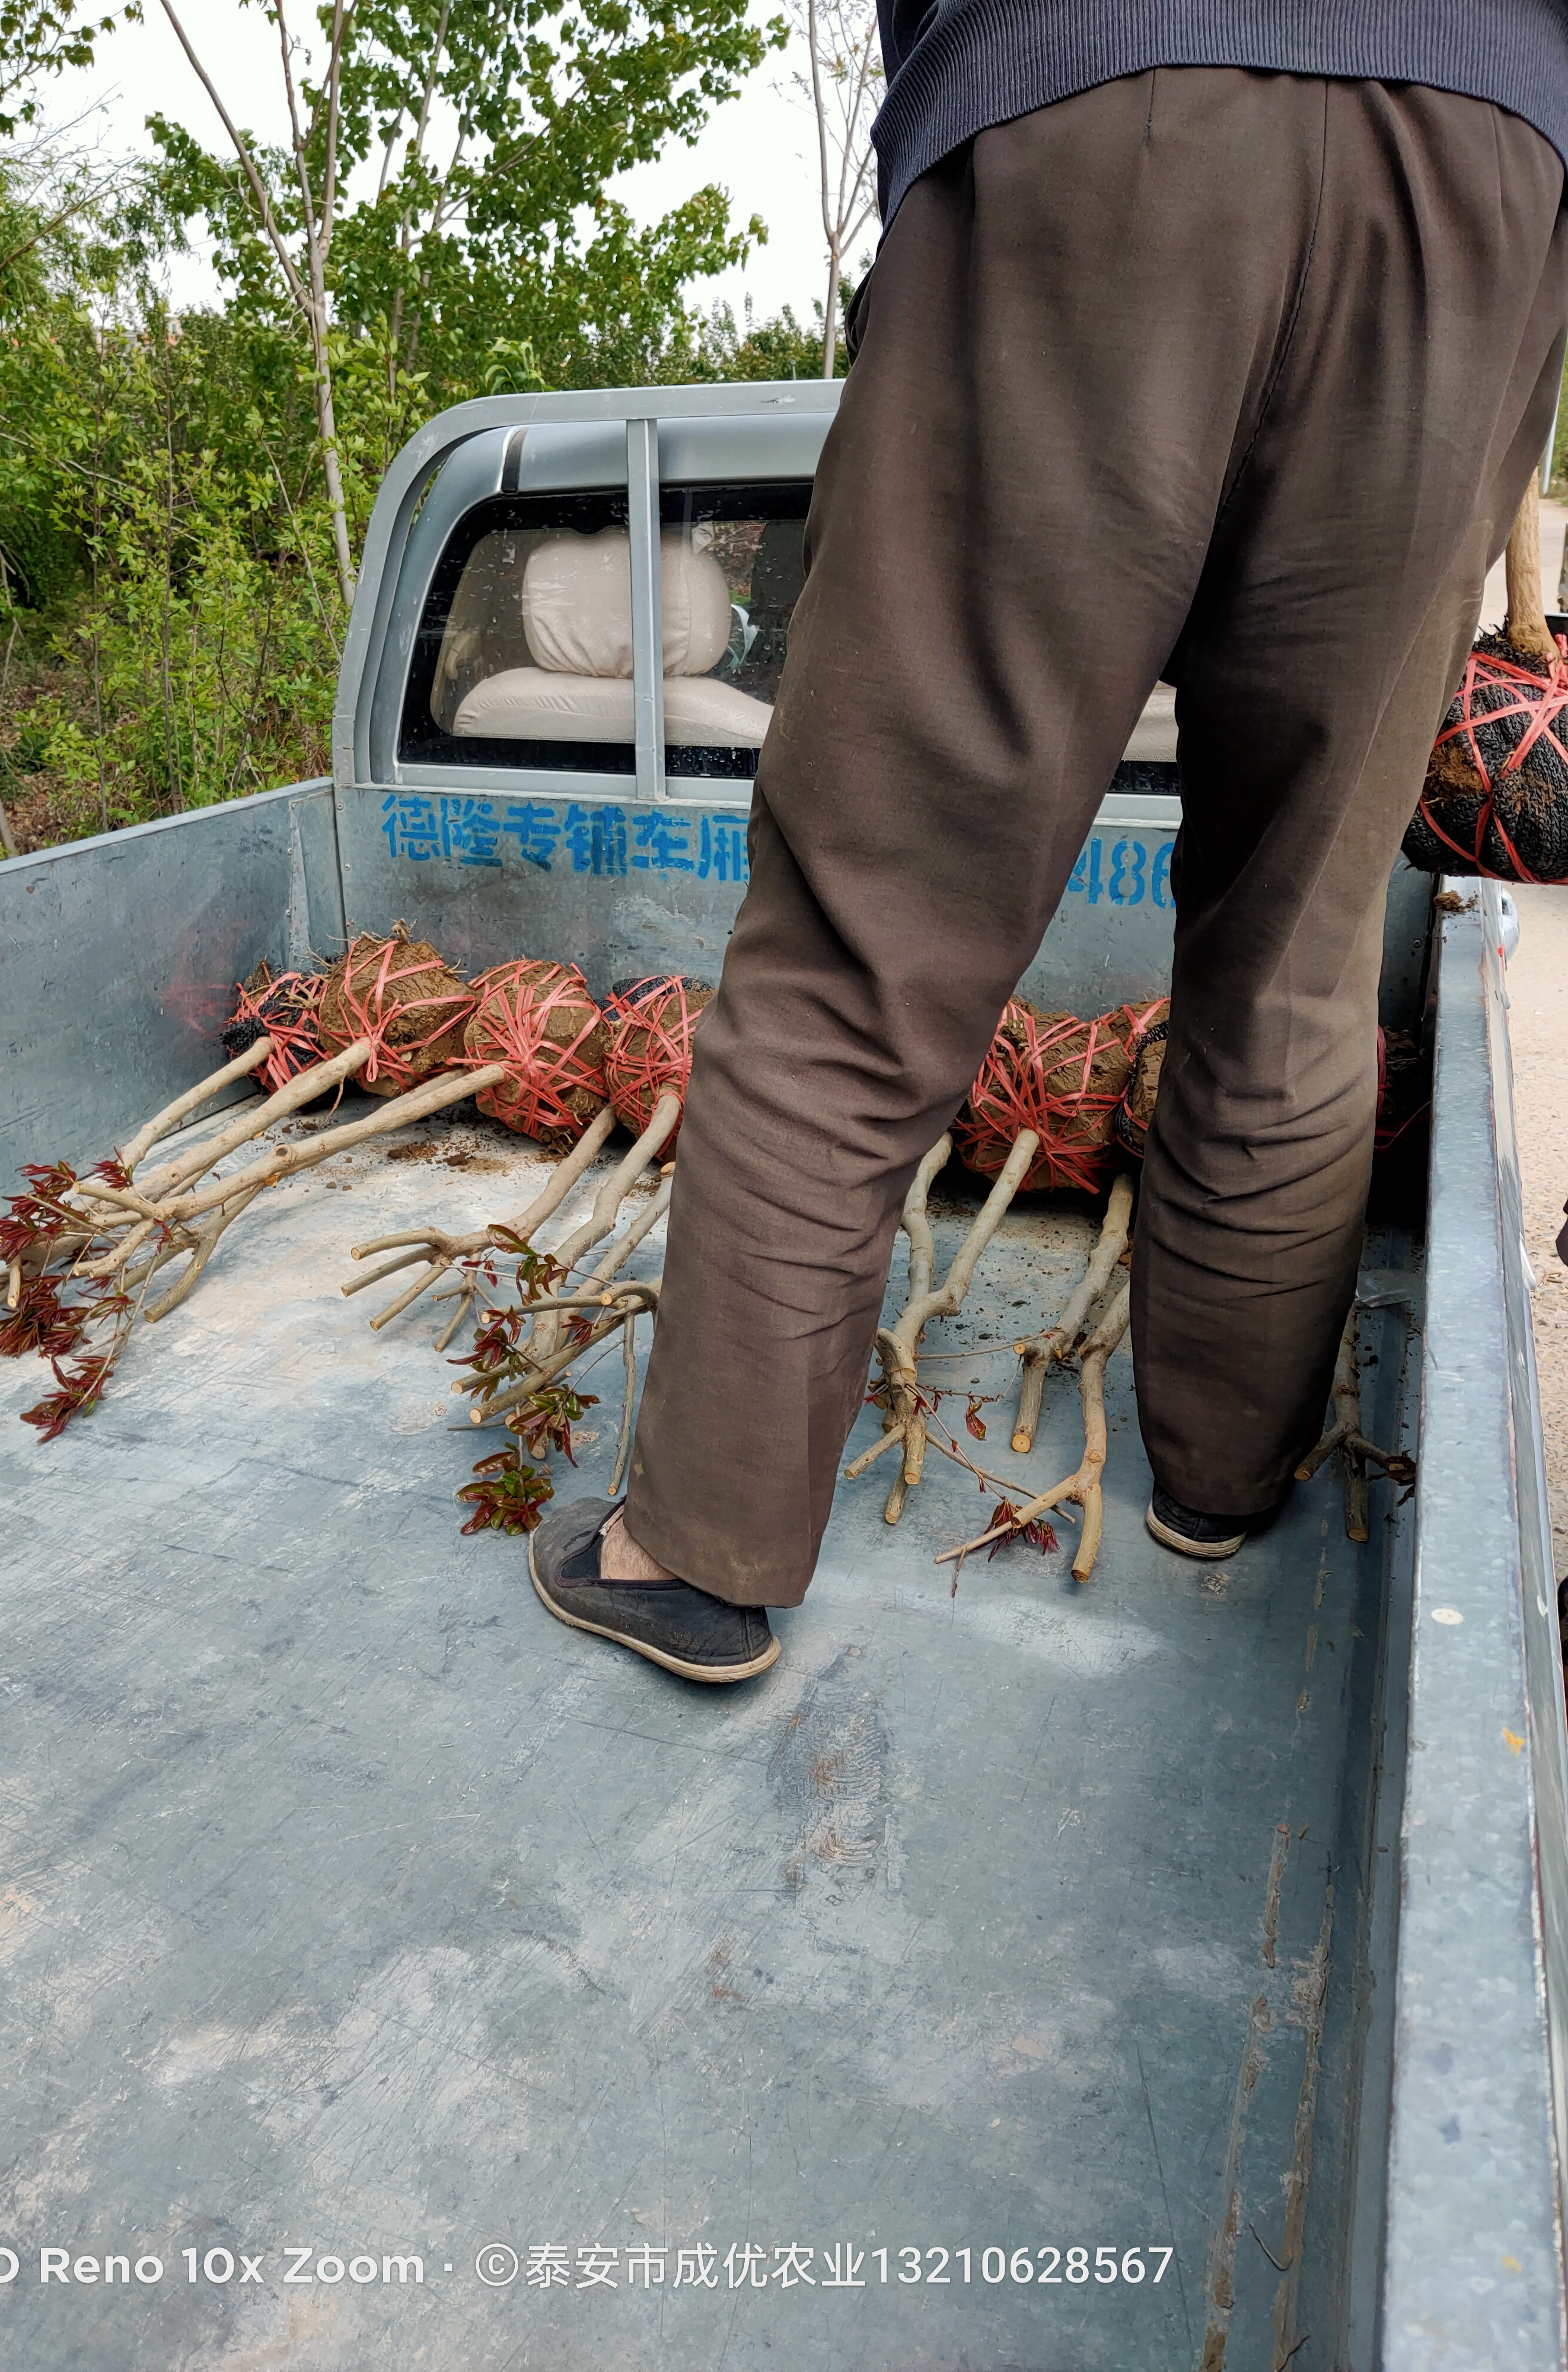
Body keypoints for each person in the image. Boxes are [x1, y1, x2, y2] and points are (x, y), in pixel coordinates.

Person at [531, 12, 1568, 1683]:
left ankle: (699, 1551)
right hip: (1480, 150)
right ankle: (1222, 1488)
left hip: (1094, 83)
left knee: (872, 930)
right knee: (1295, 941)